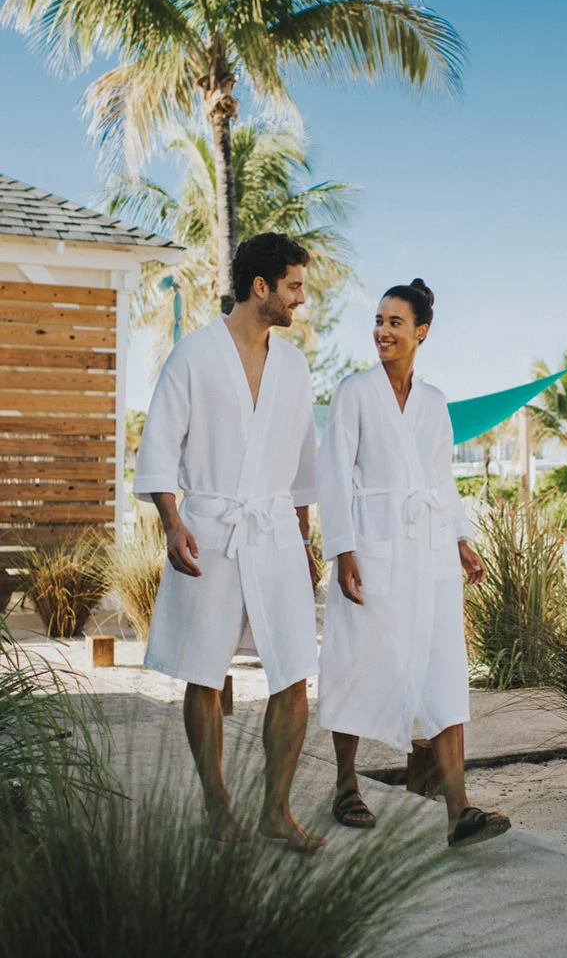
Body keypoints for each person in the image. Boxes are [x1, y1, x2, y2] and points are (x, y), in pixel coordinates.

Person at [133, 232, 325, 853]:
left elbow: (302, 463)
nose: (301, 298)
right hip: (210, 528)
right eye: (293, 286)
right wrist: (171, 521)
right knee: (204, 673)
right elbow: (159, 444)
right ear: (261, 287)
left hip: (272, 532)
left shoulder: (293, 366)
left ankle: (276, 809)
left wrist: (304, 538)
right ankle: (219, 807)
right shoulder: (192, 355)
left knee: (294, 671)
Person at [317, 278, 511, 847]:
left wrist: (462, 539)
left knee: (443, 668)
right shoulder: (353, 392)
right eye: (378, 320)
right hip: (372, 549)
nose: (382, 330)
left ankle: (459, 811)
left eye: (394, 322)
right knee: (357, 659)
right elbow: (333, 474)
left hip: (427, 552)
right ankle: (347, 785)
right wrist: (342, 550)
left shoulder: (433, 402)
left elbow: (440, 480)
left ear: (420, 332)